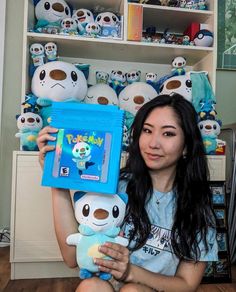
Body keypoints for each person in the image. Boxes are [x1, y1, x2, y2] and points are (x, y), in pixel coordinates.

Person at [37, 93, 218, 291]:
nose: (153, 143)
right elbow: (72, 257)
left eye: (168, 134)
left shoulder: (197, 207)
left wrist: (131, 272)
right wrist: (56, 180)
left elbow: (187, 284)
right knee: (91, 286)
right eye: (147, 131)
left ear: (186, 146)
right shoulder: (115, 187)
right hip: (108, 284)